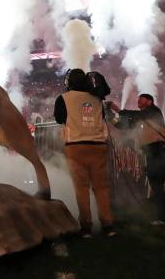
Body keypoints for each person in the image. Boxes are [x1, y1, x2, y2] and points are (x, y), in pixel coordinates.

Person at [54, 68, 116, 237]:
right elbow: (102, 118)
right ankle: (108, 225)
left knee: (82, 189)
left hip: (76, 147)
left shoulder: (63, 98)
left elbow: (59, 118)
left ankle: (86, 227)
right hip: (98, 146)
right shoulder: (97, 98)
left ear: (69, 82)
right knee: (101, 188)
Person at [109, 93, 165, 226]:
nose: (138, 100)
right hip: (151, 153)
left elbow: (136, 115)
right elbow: (122, 125)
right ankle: (163, 218)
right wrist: (110, 116)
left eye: (142, 98)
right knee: (157, 187)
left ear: (150, 101)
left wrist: (117, 109)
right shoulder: (140, 117)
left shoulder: (153, 112)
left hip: (164, 150)